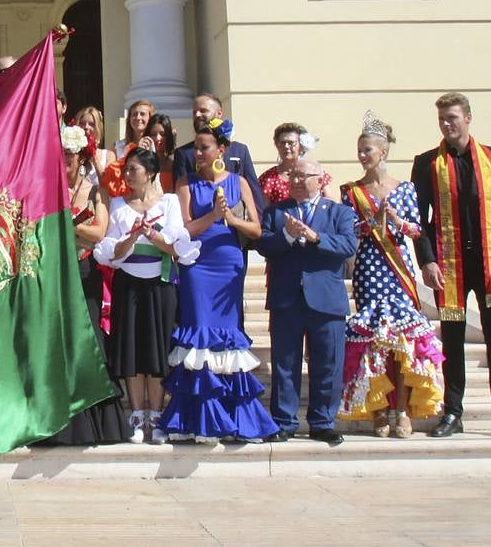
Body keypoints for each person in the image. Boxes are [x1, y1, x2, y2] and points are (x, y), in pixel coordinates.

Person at [412, 92, 491, 442]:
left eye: (453, 118)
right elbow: (420, 219)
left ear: (468, 118)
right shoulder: (428, 163)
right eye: (443, 119)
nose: (447, 124)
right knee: (453, 341)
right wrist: (427, 259)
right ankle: (453, 411)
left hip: (490, 266)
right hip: (450, 267)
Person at [160, 121, 277, 443]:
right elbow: (184, 229)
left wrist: (231, 217)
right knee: (198, 334)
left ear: (221, 150)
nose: (197, 153)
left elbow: (256, 230)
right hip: (197, 264)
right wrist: (213, 215)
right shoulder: (185, 183)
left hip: (228, 263)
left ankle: (235, 417)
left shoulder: (239, 181)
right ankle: (198, 419)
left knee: (227, 337)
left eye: (204, 147)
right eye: (195, 147)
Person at [339, 112, 445, 438]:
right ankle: (379, 409)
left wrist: (396, 221)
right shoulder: (352, 191)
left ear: (382, 152)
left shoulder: (405, 189)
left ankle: (402, 408)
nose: (362, 156)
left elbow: (417, 230)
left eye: (367, 150)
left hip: (398, 270)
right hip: (369, 269)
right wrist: (372, 222)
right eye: (359, 150)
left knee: (401, 343)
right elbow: (350, 232)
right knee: (375, 343)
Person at [257, 157, 358, 446]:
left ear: (320, 178)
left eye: (303, 176)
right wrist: (287, 236)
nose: (297, 181)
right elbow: (264, 245)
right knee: (285, 363)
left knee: (328, 363)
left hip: (326, 300)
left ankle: (323, 422)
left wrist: (316, 238)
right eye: (293, 176)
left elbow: (349, 245)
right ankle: (284, 421)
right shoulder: (277, 213)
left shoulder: (339, 213)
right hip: (287, 298)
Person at [94, 145, 191, 444]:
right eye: (126, 170)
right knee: (133, 350)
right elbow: (110, 252)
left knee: (158, 350)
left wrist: (152, 234)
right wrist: (133, 235)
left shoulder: (171, 203)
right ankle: (137, 415)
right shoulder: (119, 206)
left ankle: (157, 415)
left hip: (160, 285)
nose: (127, 175)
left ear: (150, 173)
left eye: (133, 170)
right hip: (129, 285)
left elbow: (177, 246)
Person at [44, 127, 129, 445]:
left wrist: (69, 225)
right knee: (59, 342)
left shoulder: (94, 189)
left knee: (89, 341)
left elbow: (100, 232)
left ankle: (98, 424)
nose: (64, 160)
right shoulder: (48, 188)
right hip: (55, 272)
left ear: (79, 157)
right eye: (60, 154)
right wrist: (76, 226)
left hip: (85, 271)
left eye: (68, 155)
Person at [173, 93, 264, 216]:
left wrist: (260, 227)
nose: (197, 115)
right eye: (194, 112)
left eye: (203, 111)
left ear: (219, 113)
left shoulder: (239, 150)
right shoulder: (184, 153)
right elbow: (180, 199)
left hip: (237, 226)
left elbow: (254, 192)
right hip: (200, 223)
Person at [259, 122, 336, 205]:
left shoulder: (314, 172)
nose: (286, 146)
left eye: (291, 143)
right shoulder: (268, 178)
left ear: (301, 145)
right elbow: (263, 210)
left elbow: (330, 202)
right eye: (283, 143)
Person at [72, 105, 115, 182]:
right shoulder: (71, 154)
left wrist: (93, 155)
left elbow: (107, 183)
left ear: (98, 128)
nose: (86, 127)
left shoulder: (109, 155)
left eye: (91, 124)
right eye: (82, 123)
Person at [147, 113, 177, 192]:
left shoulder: (175, 166)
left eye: (162, 134)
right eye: (153, 134)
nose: (157, 138)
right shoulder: (143, 165)